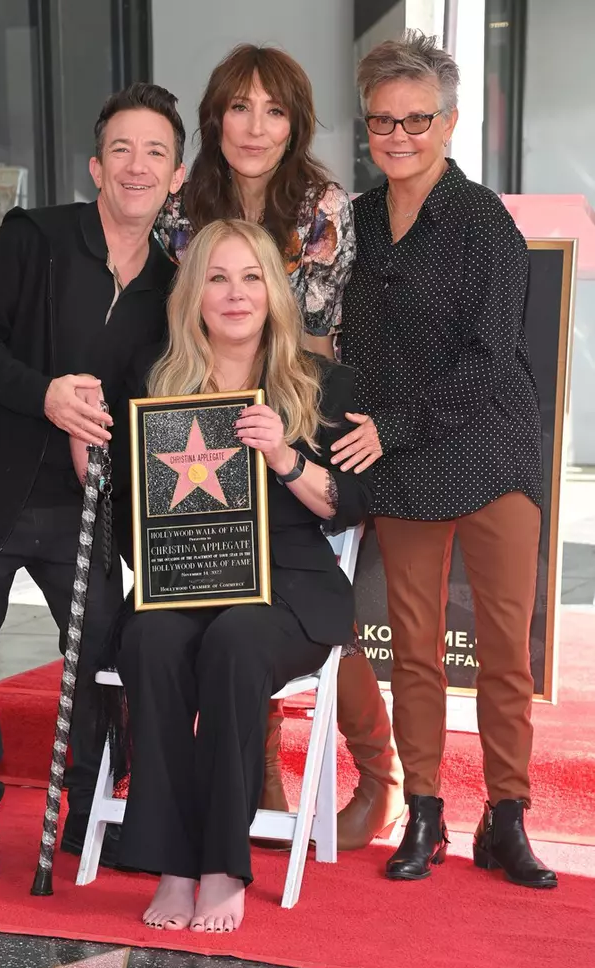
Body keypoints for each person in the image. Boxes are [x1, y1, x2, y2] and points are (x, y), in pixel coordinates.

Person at [0, 83, 186, 877]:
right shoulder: (33, 236)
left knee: (102, 648)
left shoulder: (172, 287)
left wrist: (97, 440)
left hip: (83, 501)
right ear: (95, 167)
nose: (137, 166)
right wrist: (46, 399)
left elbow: (146, 399)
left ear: (176, 176)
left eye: (156, 153)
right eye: (121, 150)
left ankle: (86, 806)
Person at [154, 43, 402, 850]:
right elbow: (179, 315)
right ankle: (252, 773)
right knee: (213, 594)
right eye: (239, 107)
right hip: (201, 421)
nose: (255, 126)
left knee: (301, 584)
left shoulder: (322, 205)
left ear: (293, 124)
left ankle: (379, 770)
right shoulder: (180, 203)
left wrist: (299, 436)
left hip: (294, 411)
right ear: (215, 118)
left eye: (274, 110)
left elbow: (317, 337)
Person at [96, 219, 373, 932]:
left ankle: (222, 861)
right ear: (193, 294)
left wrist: (284, 456)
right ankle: (173, 863)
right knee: (150, 640)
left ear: (274, 293)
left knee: (237, 643)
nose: (235, 293)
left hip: (290, 588)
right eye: (217, 278)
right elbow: (131, 505)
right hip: (188, 576)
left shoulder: (321, 382)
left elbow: (351, 507)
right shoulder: (158, 382)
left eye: (251, 277)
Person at [335, 31, 557, 889]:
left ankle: (508, 817)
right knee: (415, 650)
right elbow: (338, 333)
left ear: (450, 121)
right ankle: (423, 810)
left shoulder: (483, 223)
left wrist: (393, 425)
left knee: (505, 649)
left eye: (416, 119)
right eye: (382, 121)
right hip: (403, 461)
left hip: (493, 449)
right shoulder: (350, 223)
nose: (398, 136)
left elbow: (492, 356)